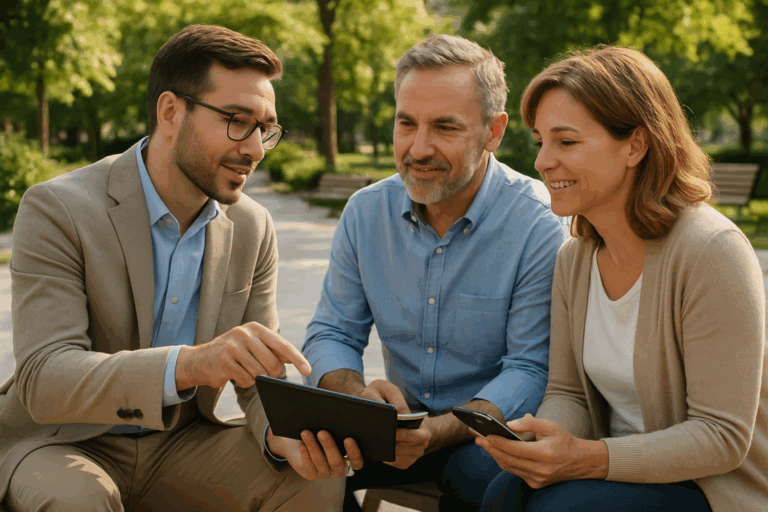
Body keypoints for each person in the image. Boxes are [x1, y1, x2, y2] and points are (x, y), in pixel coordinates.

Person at [0, 25, 346, 511]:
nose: (255, 149)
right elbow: (43, 378)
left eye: (264, 128)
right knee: (78, 500)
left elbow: (260, 381)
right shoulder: (58, 208)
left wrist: (279, 435)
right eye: (236, 120)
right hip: (60, 442)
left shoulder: (252, 225)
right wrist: (191, 363)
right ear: (170, 112)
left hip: (181, 443)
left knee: (314, 477)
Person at [477, 46, 768, 512]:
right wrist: (543, 443)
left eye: (566, 142)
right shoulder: (575, 259)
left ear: (635, 145)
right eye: (540, 142)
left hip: (711, 488)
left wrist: (585, 458)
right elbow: (569, 393)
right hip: (616, 473)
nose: (542, 161)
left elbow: (722, 437)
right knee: (501, 491)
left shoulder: (712, 252)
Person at [301, 34, 569, 511]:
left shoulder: (537, 223)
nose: (418, 148)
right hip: (392, 426)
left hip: (483, 435)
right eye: (407, 123)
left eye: (445, 127)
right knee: (299, 461)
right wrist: (359, 398)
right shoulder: (365, 213)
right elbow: (331, 332)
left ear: (494, 132)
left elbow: (529, 367)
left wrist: (438, 430)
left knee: (487, 480)